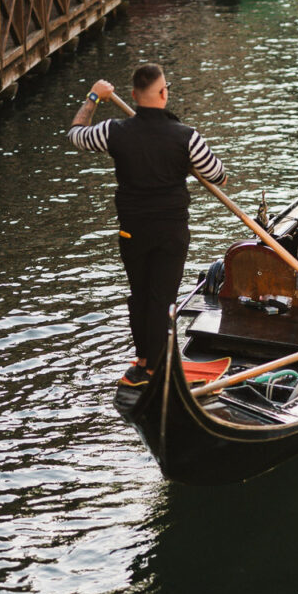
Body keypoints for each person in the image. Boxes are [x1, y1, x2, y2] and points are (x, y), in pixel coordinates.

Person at [67, 64, 225, 387]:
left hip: (132, 230)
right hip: (170, 232)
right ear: (164, 93)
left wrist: (94, 96)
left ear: (134, 96)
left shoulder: (113, 131)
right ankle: (153, 369)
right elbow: (218, 175)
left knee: (139, 295)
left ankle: (143, 362)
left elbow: (76, 134)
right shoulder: (187, 138)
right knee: (161, 299)